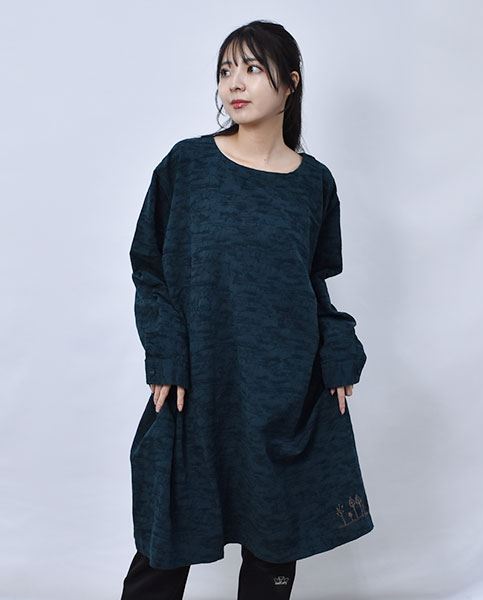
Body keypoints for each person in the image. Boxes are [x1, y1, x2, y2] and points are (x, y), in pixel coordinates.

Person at [120, 19, 374, 600]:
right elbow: (149, 268)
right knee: (163, 549)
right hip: (196, 388)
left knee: (271, 556)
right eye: (225, 70)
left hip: (284, 394)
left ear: (291, 83)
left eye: (253, 68)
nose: (234, 83)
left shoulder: (314, 184)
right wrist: (165, 355)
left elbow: (313, 285)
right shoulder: (188, 166)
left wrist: (338, 350)